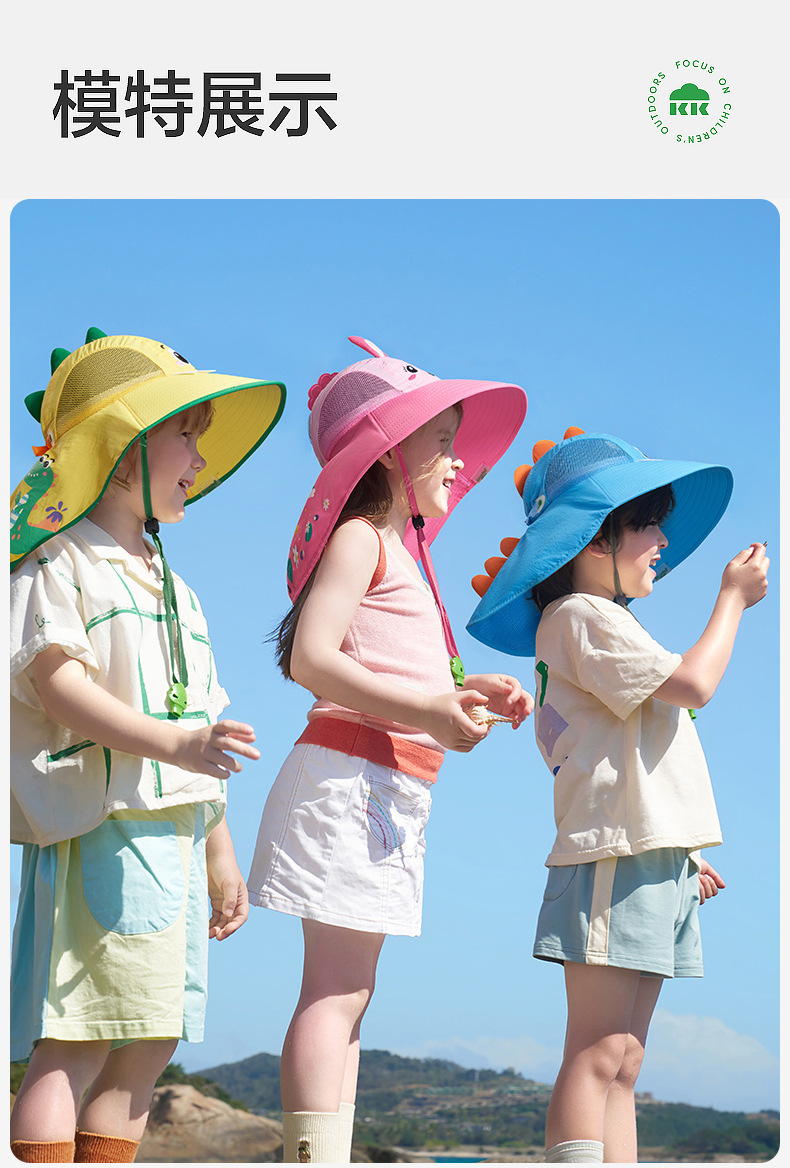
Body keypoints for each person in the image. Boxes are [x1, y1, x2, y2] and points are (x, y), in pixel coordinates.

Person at [247, 336, 532, 1163]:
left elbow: (387, 666)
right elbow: (312, 659)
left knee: (351, 992)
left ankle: (325, 1152)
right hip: (349, 779)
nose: (459, 460)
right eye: (442, 441)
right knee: (337, 990)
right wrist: (431, 708)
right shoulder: (363, 537)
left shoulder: (401, 548)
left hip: (381, 786)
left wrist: (466, 690)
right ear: (387, 450)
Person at [9, 328, 286, 1164]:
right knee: (78, 1037)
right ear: (124, 447)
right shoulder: (60, 561)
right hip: (108, 824)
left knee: (150, 1036)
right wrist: (177, 743)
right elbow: (58, 685)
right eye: (186, 436)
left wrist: (221, 854)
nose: (200, 459)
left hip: (174, 837)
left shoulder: (178, 588)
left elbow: (204, 731)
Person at [467, 428, 769, 1164]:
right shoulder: (580, 616)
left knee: (625, 1060)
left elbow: (632, 755)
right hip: (613, 853)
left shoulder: (596, 621)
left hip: (643, 850)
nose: (662, 541)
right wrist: (732, 600)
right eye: (647, 525)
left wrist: (683, 850)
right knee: (599, 1051)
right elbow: (693, 684)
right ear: (594, 539)